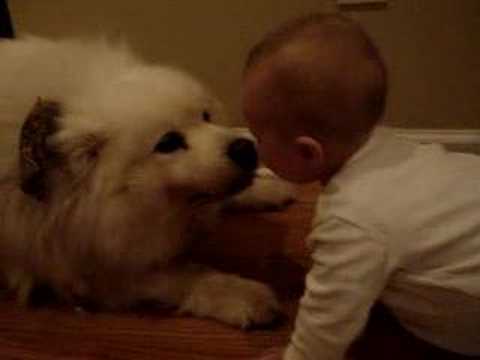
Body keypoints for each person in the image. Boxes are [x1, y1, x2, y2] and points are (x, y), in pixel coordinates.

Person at [242, 12, 480, 360]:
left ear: (307, 152)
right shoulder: (400, 152)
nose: (254, 145)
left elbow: (329, 318)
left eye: (259, 135)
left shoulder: (352, 221)